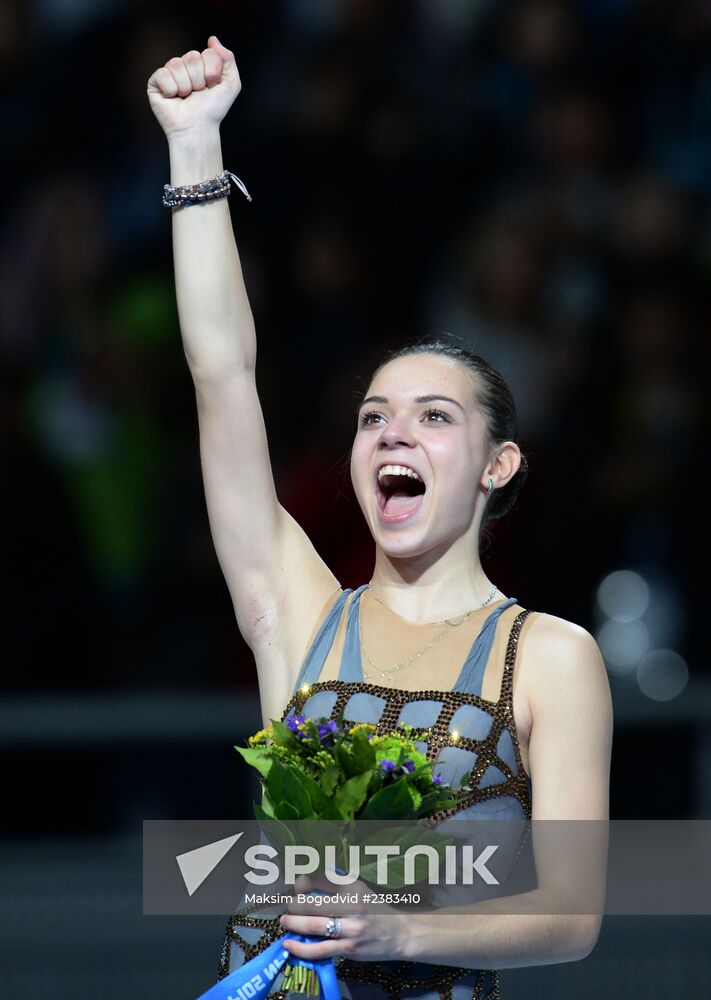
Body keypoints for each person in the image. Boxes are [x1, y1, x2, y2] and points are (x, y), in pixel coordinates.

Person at [148, 37, 613, 1000]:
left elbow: (571, 914)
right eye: (373, 417)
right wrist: (193, 147)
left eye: (433, 417)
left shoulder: (549, 655)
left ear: (498, 464)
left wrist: (395, 931)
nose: (391, 431)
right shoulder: (301, 616)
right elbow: (221, 376)